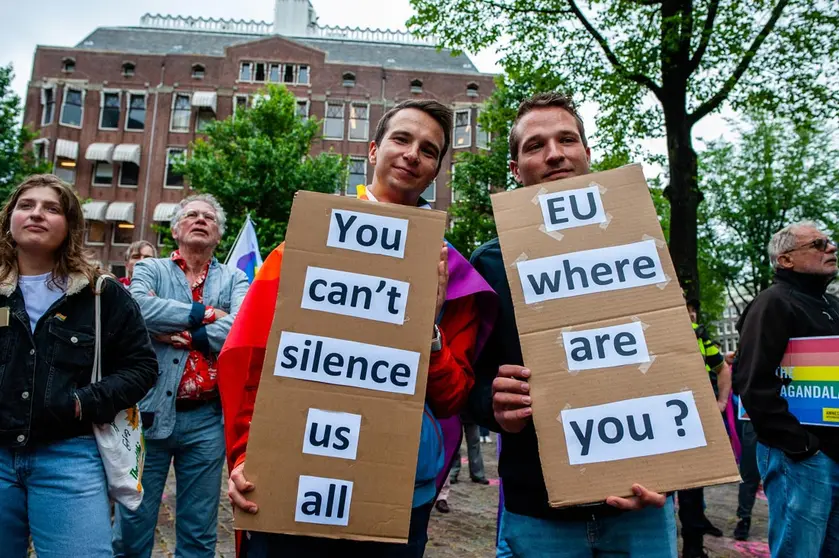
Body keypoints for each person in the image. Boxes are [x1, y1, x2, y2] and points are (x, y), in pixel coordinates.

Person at [219, 100, 497, 558]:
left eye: (428, 150)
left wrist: (426, 328)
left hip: (394, 491)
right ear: (373, 150)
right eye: (401, 139)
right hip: (295, 471)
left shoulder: (455, 278)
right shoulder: (306, 247)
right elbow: (256, 358)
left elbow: (452, 398)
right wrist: (246, 454)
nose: (412, 154)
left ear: (435, 172)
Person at [468, 93, 676, 558]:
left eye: (567, 139)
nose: (555, 153)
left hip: (641, 502)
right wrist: (491, 403)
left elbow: (673, 363)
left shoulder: (640, 246)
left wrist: (677, 466)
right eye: (535, 145)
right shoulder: (490, 264)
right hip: (540, 513)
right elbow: (467, 382)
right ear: (515, 169)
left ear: (587, 155)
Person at [0, 174, 158, 557]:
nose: (37, 214)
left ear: (69, 225)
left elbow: (142, 367)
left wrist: (82, 402)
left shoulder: (101, 293)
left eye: (51, 209)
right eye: (26, 206)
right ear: (9, 220)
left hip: (69, 458)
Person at [114, 194, 250, 557]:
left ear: (219, 234)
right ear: (176, 229)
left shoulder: (236, 277)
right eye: (191, 214)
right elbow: (139, 308)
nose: (200, 219)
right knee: (132, 526)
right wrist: (207, 314)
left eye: (209, 217)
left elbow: (243, 326)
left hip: (207, 420)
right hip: (148, 414)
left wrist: (185, 333)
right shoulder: (150, 269)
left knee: (198, 532)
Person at [735, 221, 839, 556]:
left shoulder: (831, 305)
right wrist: (802, 446)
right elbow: (751, 382)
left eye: (830, 242)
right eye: (819, 244)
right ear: (786, 260)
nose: (831, 248)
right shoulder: (772, 303)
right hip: (801, 455)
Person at [677, 298, 728, 557]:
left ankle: (694, 546)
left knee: (692, 487)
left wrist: (721, 402)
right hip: (670, 421)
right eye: (687, 308)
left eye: (693, 308)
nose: (692, 313)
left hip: (694, 421)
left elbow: (722, 369)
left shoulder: (702, 340)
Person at [728, 351, 760, 541]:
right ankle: (744, 518)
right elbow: (738, 384)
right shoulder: (748, 348)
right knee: (749, 473)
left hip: (757, 419)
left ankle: (744, 519)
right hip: (754, 419)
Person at [449, 414, 489, 485]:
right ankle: (452, 472)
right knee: (454, 442)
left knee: (474, 442)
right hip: (455, 411)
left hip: (470, 411)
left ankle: (477, 474)